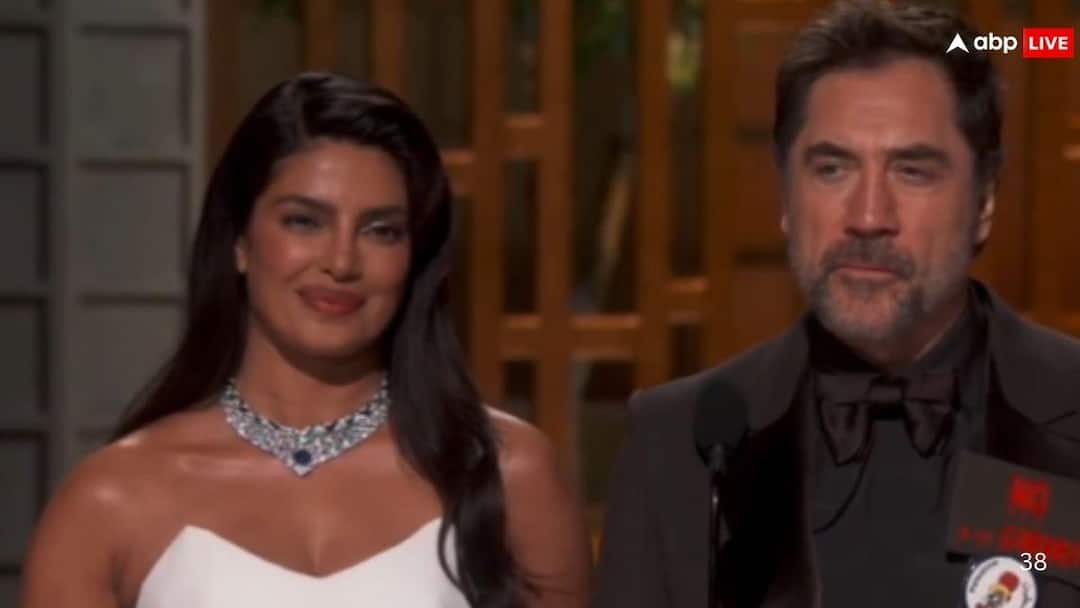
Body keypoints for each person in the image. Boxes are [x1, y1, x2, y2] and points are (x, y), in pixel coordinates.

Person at [20, 73, 590, 608]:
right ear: (240, 241)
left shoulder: (509, 475)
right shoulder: (111, 501)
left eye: (381, 231)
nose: (341, 262)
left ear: (414, 258)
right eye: (304, 221)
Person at [594, 2, 1080, 607]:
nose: (868, 217)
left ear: (984, 201)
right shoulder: (675, 444)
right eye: (832, 169)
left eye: (912, 171)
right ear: (785, 197)